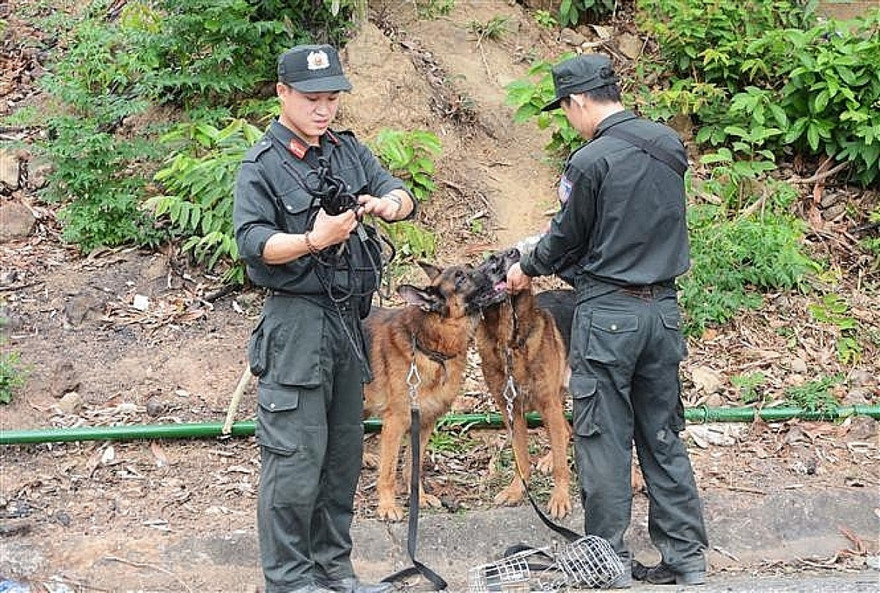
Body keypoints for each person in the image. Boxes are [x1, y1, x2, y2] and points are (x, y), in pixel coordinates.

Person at [505, 54, 709, 588]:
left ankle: (608, 561)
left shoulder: (589, 162)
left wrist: (526, 266)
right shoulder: (668, 145)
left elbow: (566, 238)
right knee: (662, 435)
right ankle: (686, 559)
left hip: (609, 317)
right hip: (663, 313)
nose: (568, 121)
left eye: (565, 111)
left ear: (577, 102)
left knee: (603, 438)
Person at [233, 44, 415, 593]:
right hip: (296, 322)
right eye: (312, 98)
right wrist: (313, 239)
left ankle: (333, 570)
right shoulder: (261, 165)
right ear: (282, 93)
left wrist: (390, 205)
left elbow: (399, 192)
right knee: (294, 459)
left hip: (351, 324)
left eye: (332, 98)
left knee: (340, 455)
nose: (324, 109)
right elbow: (253, 243)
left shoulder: (345, 151)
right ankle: (289, 580)